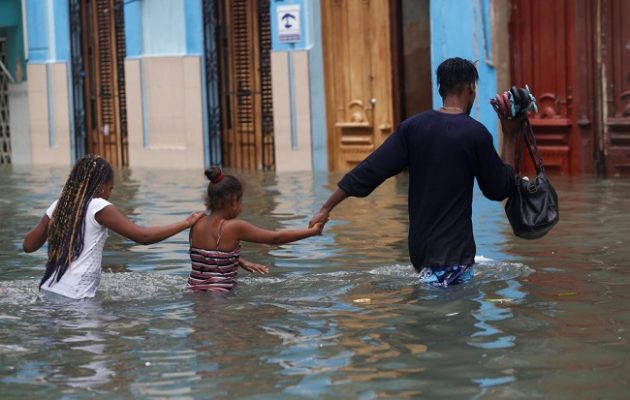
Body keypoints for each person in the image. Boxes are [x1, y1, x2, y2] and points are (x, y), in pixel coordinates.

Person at [309, 57, 523, 288]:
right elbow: (499, 189)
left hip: (421, 255)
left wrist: (325, 208)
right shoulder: (475, 134)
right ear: (471, 89)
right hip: (454, 257)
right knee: (452, 320)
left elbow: (369, 171)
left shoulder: (413, 128)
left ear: (440, 89)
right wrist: (510, 135)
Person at [23, 155, 204, 299]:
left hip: (49, 292)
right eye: (111, 188)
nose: (110, 193)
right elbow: (143, 237)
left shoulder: (59, 205)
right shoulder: (98, 206)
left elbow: (28, 246)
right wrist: (186, 223)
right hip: (77, 298)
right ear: (101, 186)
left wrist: (50, 225)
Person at [187, 166, 326, 292]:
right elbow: (276, 238)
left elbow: (210, 255)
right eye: (240, 201)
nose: (241, 207)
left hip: (192, 289)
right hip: (220, 297)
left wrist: (240, 261)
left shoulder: (197, 223)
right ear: (233, 201)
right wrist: (313, 231)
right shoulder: (234, 226)